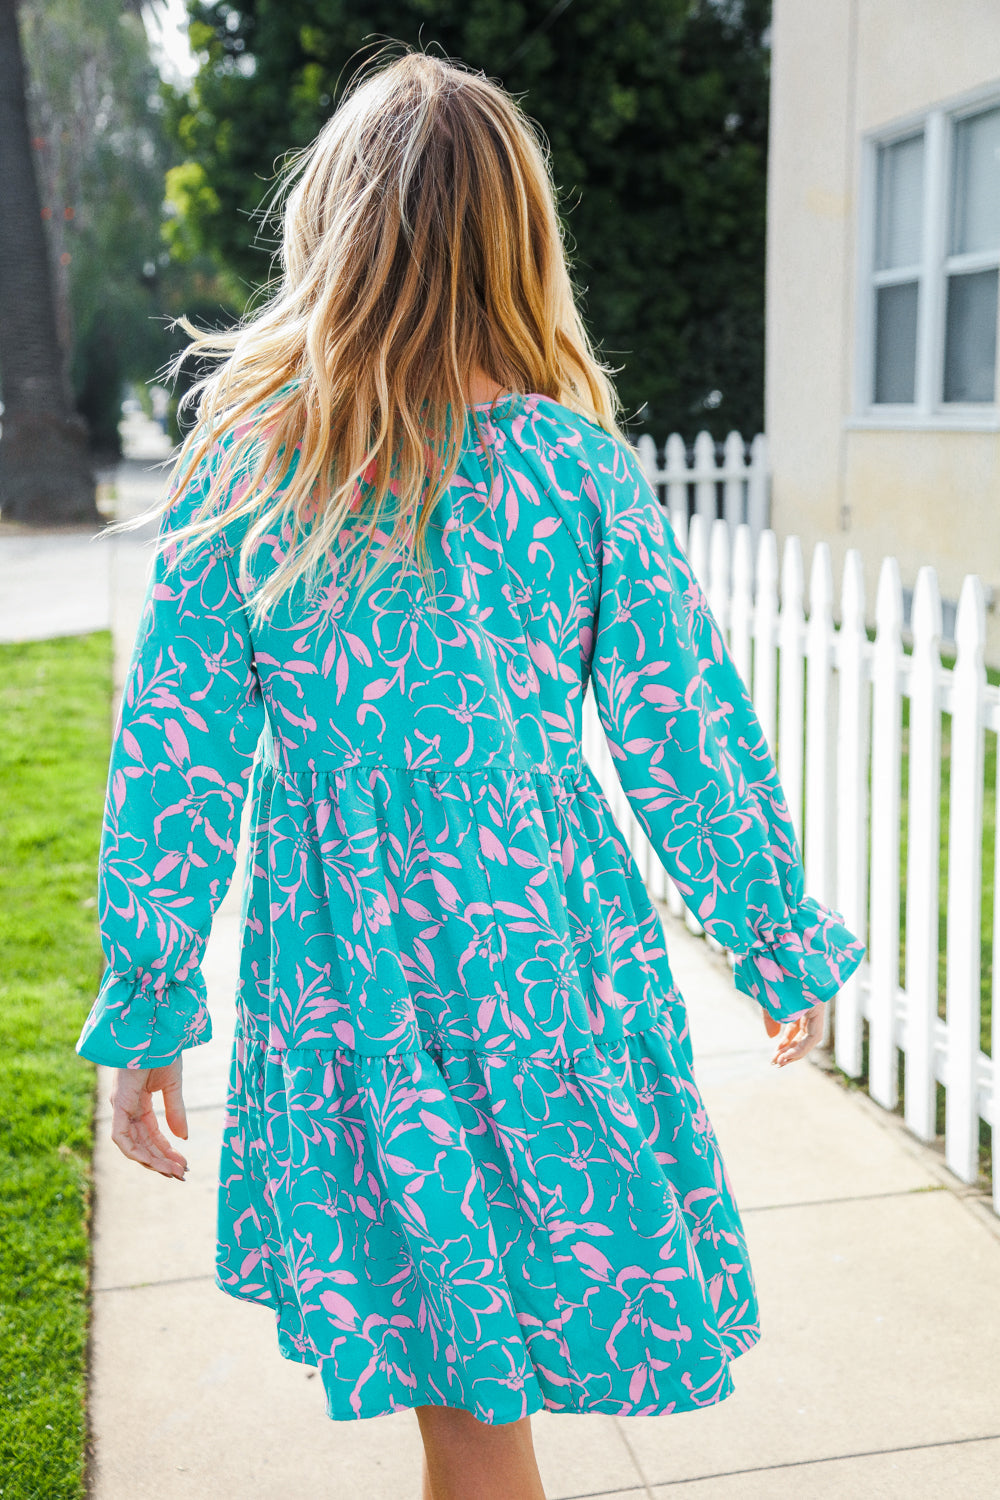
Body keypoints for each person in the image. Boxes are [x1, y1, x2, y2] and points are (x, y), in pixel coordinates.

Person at [75, 48, 865, 1500]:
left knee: (469, 1389)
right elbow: (686, 731)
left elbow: (174, 762)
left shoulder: (253, 461)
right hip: (542, 966)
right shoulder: (571, 469)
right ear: (518, 238)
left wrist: (153, 1000)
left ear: (334, 229)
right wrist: (768, 930)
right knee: (477, 1378)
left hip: (356, 988)